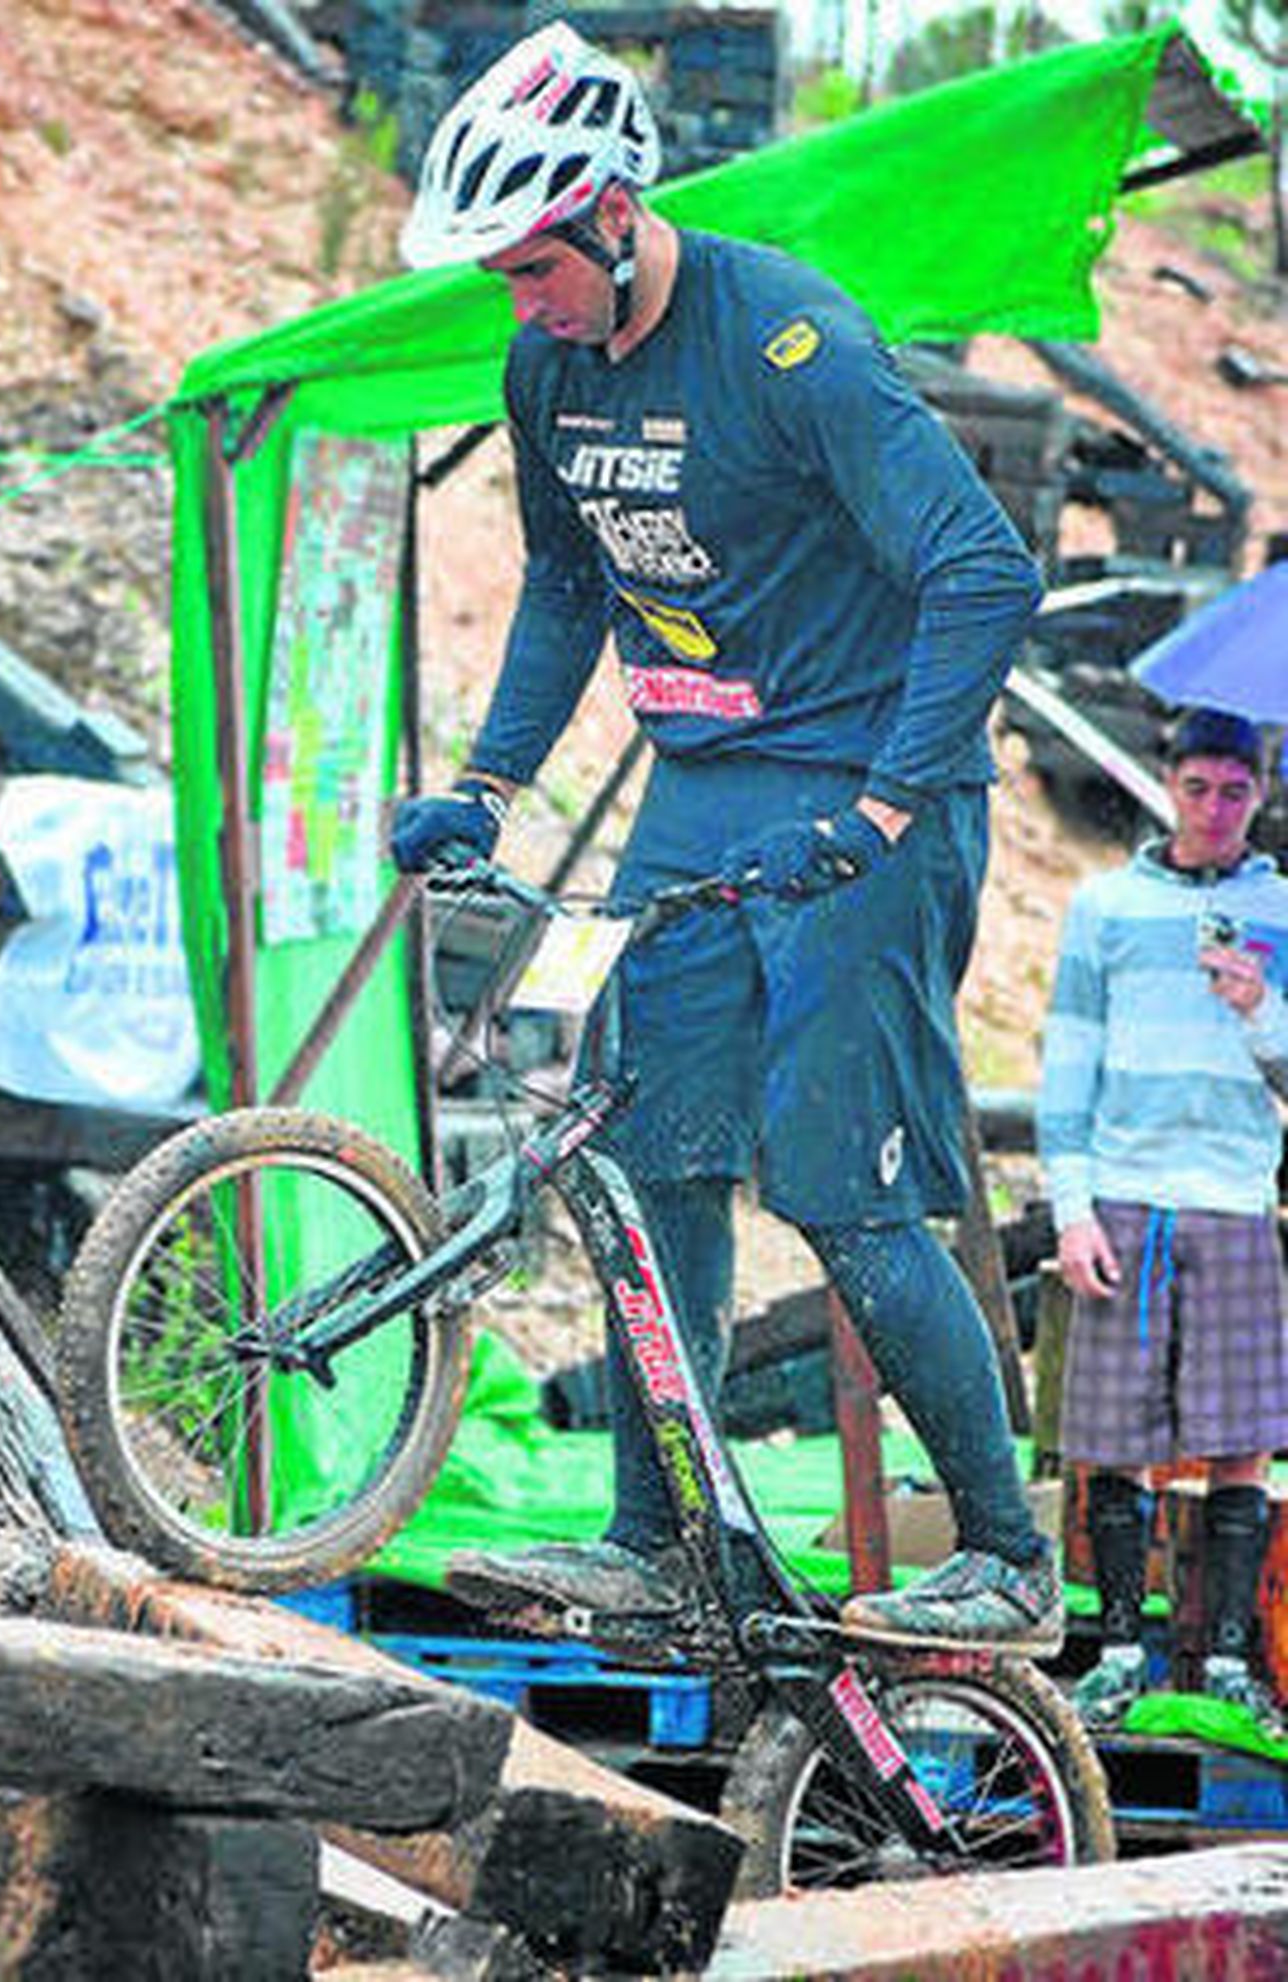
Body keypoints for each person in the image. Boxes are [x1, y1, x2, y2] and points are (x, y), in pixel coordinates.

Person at [389, 20, 1061, 1653]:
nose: (521, 301)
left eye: (536, 265)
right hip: (698, 779)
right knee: (644, 1153)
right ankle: (660, 1537)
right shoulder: (548, 363)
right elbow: (566, 587)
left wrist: (896, 797)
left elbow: (984, 572)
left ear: (616, 215)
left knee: (844, 1186)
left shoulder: (794, 342)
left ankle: (1004, 1550)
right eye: (498, 278)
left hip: (863, 794)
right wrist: (485, 782)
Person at [1039, 705, 1288, 1732]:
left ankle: (1227, 1658)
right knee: (1112, 1433)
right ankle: (1117, 1648)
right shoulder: (1103, 906)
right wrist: (1070, 1209)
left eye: (1235, 791)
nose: (1216, 809)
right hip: (1124, 1197)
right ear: (1166, 784)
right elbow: (1066, 1062)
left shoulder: (1280, 909)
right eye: (1198, 788)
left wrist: (1258, 1007)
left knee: (1241, 1438)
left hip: (1232, 1193)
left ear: (1261, 794)